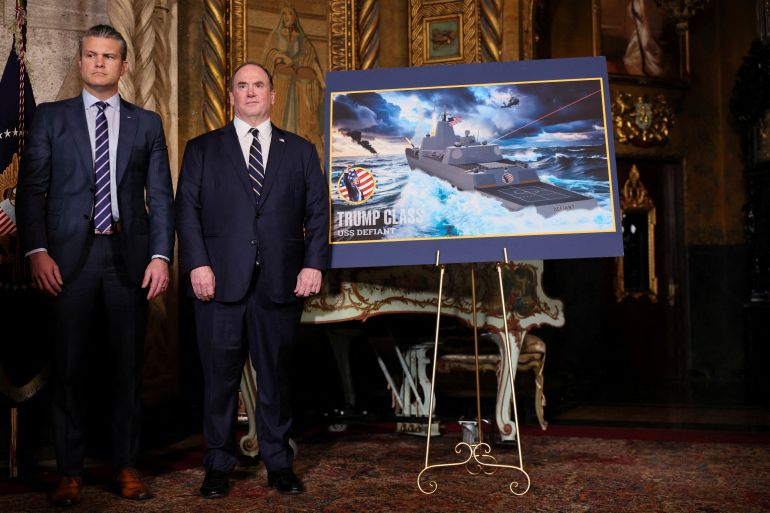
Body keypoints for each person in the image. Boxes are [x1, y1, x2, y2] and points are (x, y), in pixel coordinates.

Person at [15, 24, 174, 506]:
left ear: (124, 66)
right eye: (91, 55)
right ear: (81, 62)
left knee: (126, 370)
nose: (100, 63)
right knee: (69, 369)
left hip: (127, 259)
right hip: (66, 261)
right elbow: (31, 191)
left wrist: (161, 256)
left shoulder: (147, 124)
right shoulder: (50, 118)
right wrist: (36, 251)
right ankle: (69, 472)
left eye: (109, 56)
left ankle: (126, 467)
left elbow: (161, 198)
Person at [175, 61, 329, 498]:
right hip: (218, 283)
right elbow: (187, 212)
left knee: (275, 378)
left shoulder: (300, 150)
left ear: (273, 94)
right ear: (231, 96)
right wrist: (197, 265)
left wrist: (313, 263)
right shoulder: (202, 148)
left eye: (258, 85)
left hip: (281, 282)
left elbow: (318, 212)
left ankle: (279, 463)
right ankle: (218, 465)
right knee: (219, 378)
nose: (250, 92)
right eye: (241, 86)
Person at [262, 6, 325, 157]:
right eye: (285, 14)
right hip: (281, 83)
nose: (287, 17)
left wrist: (322, 81)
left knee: (304, 117)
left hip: (298, 85)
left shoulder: (302, 39)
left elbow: (312, 61)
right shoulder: (276, 36)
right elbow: (269, 54)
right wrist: (281, 57)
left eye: (290, 14)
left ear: (295, 17)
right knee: (279, 116)